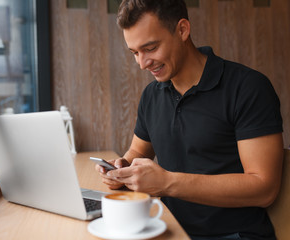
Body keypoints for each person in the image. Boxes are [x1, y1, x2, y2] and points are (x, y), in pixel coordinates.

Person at [95, 0, 284, 239]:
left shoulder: (248, 88)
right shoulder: (152, 94)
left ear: (182, 30)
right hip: (168, 229)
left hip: (235, 235)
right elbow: (137, 154)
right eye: (135, 53)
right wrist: (120, 170)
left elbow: (264, 189)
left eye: (151, 48)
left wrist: (166, 182)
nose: (142, 64)